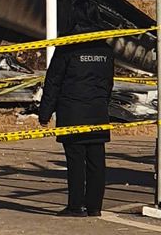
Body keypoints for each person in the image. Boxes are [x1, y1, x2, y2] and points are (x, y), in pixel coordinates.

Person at [37, 39, 114, 217]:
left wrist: (45, 113)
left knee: (76, 160)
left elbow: (53, 82)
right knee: (97, 160)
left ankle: (75, 206)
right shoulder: (105, 49)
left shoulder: (67, 47)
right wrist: (102, 104)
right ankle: (95, 206)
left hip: (72, 112)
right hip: (97, 111)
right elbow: (108, 82)